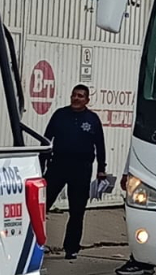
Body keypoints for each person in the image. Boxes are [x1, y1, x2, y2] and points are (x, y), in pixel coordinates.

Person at [43, 84, 108, 260]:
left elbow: (100, 145)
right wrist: (41, 165)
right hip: (58, 165)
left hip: (81, 169)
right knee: (41, 206)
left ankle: (71, 248)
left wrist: (101, 169)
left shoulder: (92, 119)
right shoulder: (60, 115)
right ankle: (35, 243)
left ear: (87, 100)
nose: (76, 98)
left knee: (77, 210)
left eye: (80, 96)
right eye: (74, 95)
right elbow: (46, 139)